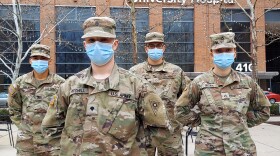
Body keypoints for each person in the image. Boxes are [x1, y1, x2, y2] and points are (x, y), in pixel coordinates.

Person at [41, 17, 171, 155]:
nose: (97, 45)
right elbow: (50, 127)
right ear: (85, 45)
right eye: (91, 40)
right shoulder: (69, 86)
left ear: (115, 44)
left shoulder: (137, 86)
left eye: (103, 40)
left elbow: (161, 129)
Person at [175, 32, 271, 156]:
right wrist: (201, 122)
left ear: (235, 53)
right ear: (211, 54)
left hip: (241, 148)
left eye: (228, 50)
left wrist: (241, 121)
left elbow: (264, 110)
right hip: (209, 150)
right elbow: (180, 110)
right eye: (219, 51)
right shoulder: (199, 83)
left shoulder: (247, 83)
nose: (224, 54)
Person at [130, 32, 190, 156]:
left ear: (163, 48)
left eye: (158, 45)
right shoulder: (134, 73)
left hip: (170, 133)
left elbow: (188, 97)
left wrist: (184, 120)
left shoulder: (176, 72)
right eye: (151, 46)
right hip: (143, 132)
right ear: (146, 48)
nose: (155, 48)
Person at [8, 44, 65, 155]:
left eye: (43, 58)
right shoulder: (19, 83)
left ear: (49, 60)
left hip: (51, 142)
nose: (39, 61)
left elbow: (66, 111)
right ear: (30, 60)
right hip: (27, 142)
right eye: (36, 58)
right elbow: (13, 109)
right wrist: (25, 127)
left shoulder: (61, 84)